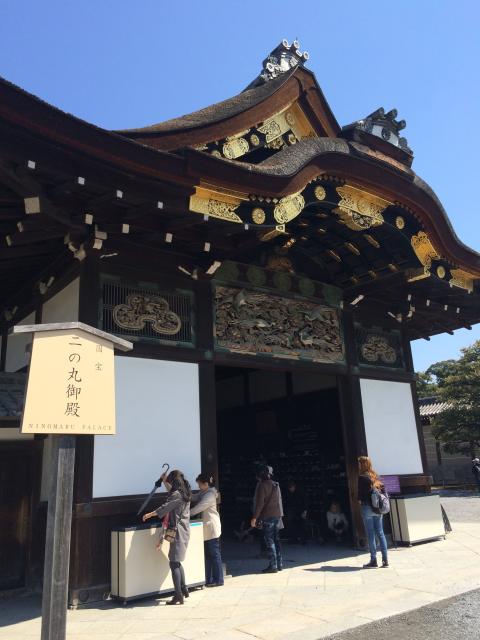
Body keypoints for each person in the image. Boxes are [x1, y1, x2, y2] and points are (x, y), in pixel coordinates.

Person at [143, 469, 192, 604]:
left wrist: (150, 514)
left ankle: (178, 595)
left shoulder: (177, 495)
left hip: (178, 532)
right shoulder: (185, 493)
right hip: (184, 530)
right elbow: (172, 493)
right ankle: (184, 588)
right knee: (177, 561)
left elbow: (165, 507)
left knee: (173, 562)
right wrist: (164, 481)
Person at [190, 473, 224, 587]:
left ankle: (218, 580)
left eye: (199, 484)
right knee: (209, 555)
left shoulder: (209, 495)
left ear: (206, 484)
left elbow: (198, 508)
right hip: (208, 529)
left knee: (214, 554)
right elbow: (193, 497)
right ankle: (208, 579)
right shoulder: (204, 492)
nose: (198, 486)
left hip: (212, 528)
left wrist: (185, 514)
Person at [251, 464, 283, 573]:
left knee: (269, 541)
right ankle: (279, 564)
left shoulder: (262, 485)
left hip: (267, 516)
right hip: (276, 515)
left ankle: (273, 565)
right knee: (276, 540)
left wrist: (255, 517)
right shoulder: (276, 484)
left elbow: (260, 503)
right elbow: (279, 501)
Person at [357, 456, 388, 569]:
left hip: (367, 508)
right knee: (380, 532)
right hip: (377, 508)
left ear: (362, 465)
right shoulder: (375, 476)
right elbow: (383, 490)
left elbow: (360, 496)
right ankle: (385, 560)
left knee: (370, 534)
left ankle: (373, 560)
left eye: (359, 463)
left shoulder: (362, 477)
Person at [283, 479, 308, 545]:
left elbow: (305, 501)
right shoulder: (289, 493)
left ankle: (304, 540)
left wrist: (305, 511)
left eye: (291, 488)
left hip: (301, 510)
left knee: (302, 525)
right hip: (294, 511)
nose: (290, 490)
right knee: (293, 525)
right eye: (289, 488)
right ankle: (294, 539)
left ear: (293, 486)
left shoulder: (301, 492)